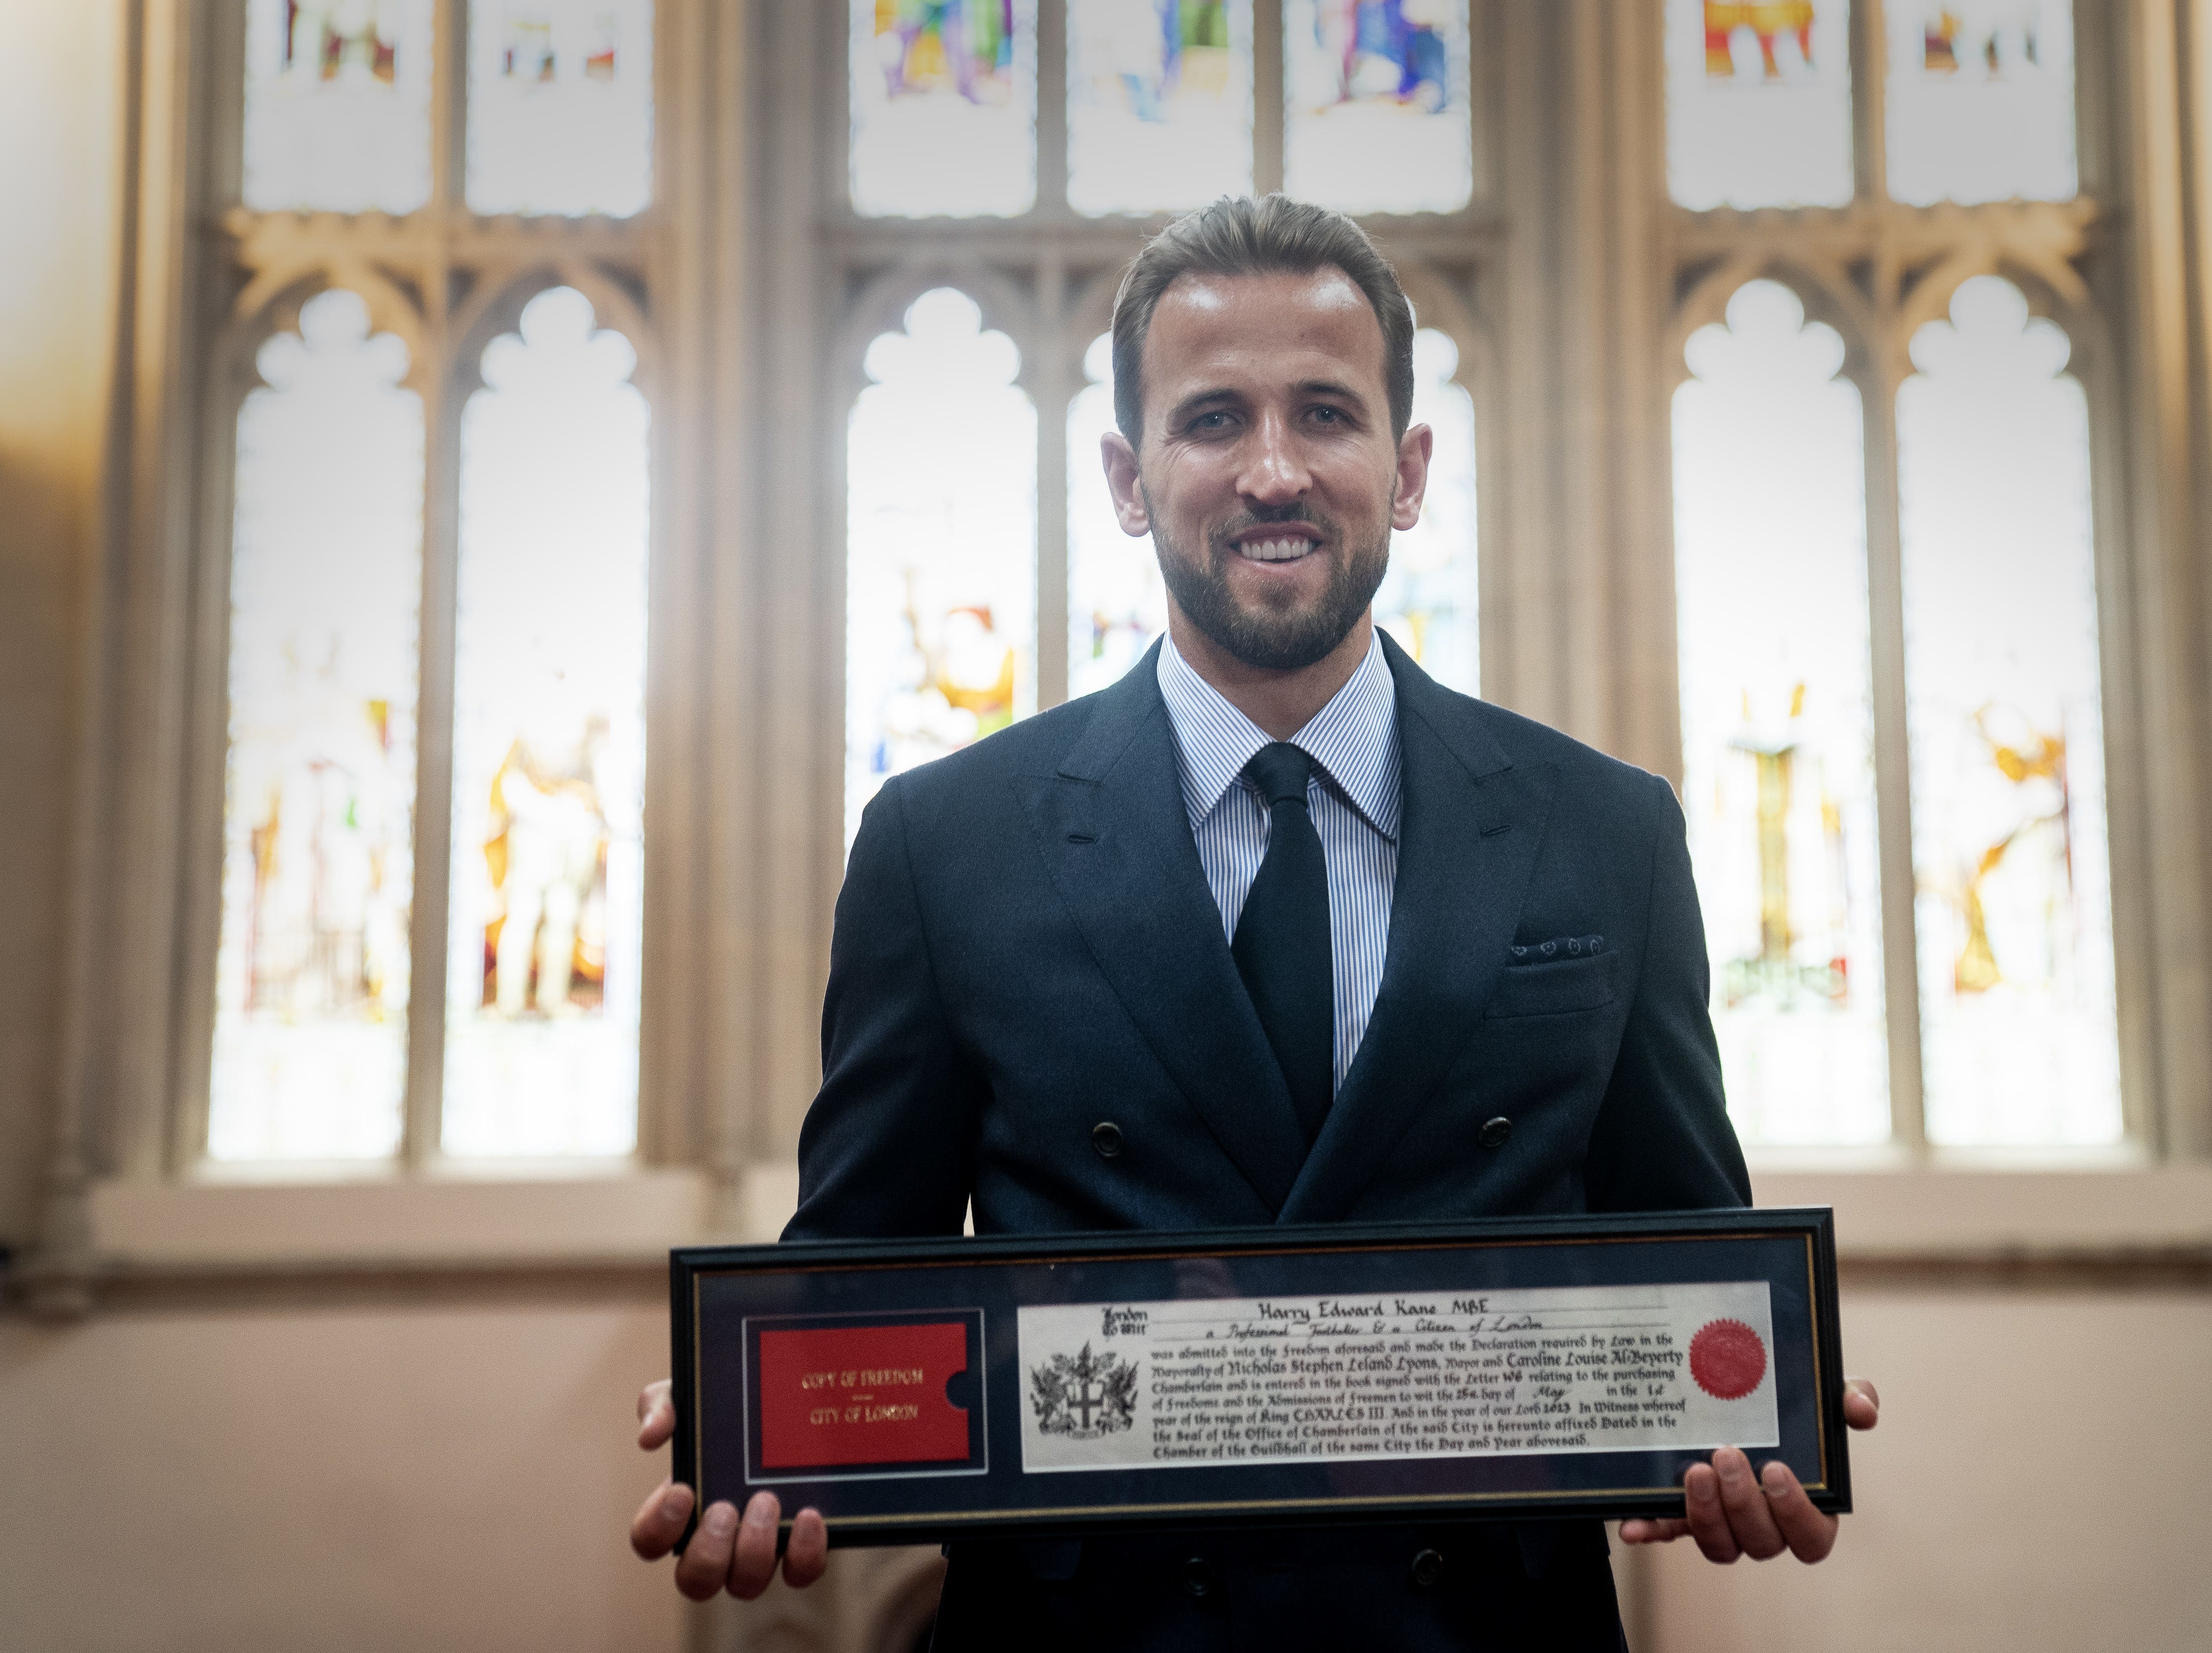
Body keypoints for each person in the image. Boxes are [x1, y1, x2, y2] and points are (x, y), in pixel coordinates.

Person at [631, 193, 1881, 1645]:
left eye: (1328, 416)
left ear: (1407, 470)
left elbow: (1688, 1250)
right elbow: (863, 1259)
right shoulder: (943, 843)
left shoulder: (1606, 832)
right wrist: (761, 1419)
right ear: (1127, 473)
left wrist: (1759, 1413)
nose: (1273, 471)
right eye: (1214, 418)